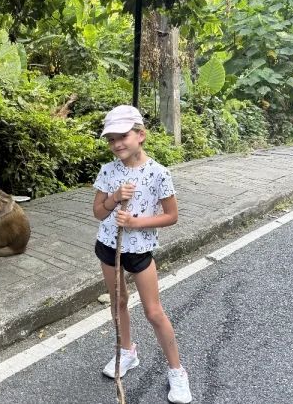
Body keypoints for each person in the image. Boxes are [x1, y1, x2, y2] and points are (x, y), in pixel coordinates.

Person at [92, 105, 192, 404]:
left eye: (123, 136)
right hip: (108, 246)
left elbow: (171, 216)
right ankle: (127, 351)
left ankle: (177, 371)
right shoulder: (108, 171)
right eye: (111, 139)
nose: (116, 144)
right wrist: (114, 198)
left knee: (153, 311)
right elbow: (98, 213)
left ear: (141, 135)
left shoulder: (159, 173)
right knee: (118, 301)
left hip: (140, 250)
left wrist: (136, 223)